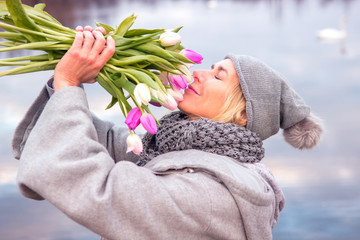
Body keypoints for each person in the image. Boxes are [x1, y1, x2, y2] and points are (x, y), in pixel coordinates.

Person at [12, 26, 323, 240]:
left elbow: (100, 188)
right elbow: (103, 142)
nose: (198, 73)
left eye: (218, 75)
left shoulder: (216, 193)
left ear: (242, 113)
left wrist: (69, 83)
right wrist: (70, 80)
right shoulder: (172, 145)